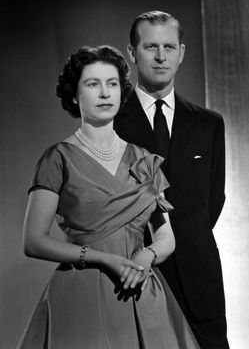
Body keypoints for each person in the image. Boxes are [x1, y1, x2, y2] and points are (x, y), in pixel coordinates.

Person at [17, 45, 200, 349]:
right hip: (82, 294)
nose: (105, 93)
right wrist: (103, 259)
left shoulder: (143, 159)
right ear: (74, 95)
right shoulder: (57, 158)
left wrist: (147, 256)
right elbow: (33, 241)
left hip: (140, 290)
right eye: (93, 84)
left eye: (112, 84)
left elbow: (166, 237)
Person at [114, 11, 230, 349]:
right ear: (132, 54)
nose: (161, 56)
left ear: (182, 52)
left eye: (169, 46)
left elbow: (213, 202)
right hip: (134, 278)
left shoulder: (209, 124)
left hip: (200, 280)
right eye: (151, 46)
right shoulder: (111, 124)